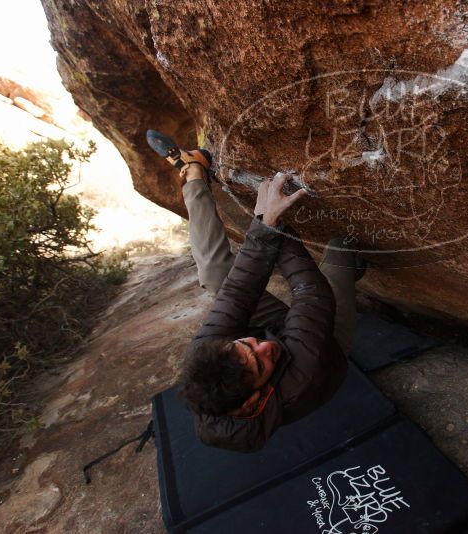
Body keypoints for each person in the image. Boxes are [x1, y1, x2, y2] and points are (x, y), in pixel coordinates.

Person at [146, 130, 357, 452]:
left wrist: (265, 224)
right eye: (258, 366)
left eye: (245, 345)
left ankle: (193, 172)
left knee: (216, 274)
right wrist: (271, 222)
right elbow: (310, 295)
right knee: (341, 249)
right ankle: (354, 270)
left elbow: (235, 296)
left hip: (279, 331)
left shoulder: (207, 360)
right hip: (326, 349)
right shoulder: (301, 379)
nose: (263, 349)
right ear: (253, 403)